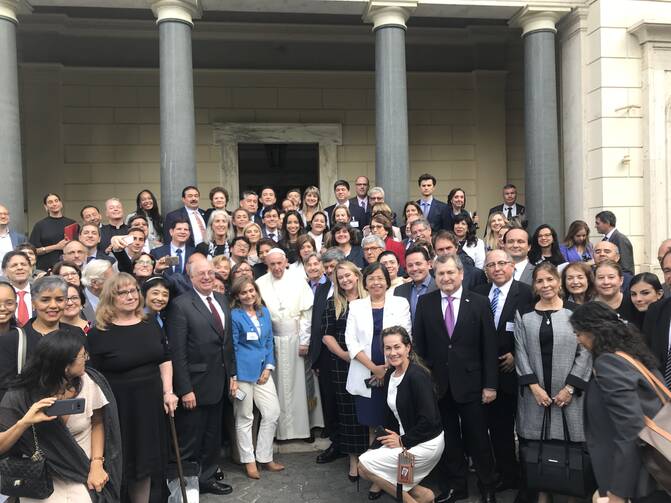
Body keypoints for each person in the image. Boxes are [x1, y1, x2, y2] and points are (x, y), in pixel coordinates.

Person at [413, 254, 498, 503]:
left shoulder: (479, 303)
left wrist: (490, 385)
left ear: (461, 274)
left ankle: (487, 485)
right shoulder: (426, 303)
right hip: (439, 387)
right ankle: (456, 486)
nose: (446, 278)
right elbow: (420, 347)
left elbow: (489, 348)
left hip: (473, 386)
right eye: (441, 274)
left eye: (451, 273)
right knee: (449, 440)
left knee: (479, 438)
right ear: (435, 276)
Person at [0, 330, 122, 502]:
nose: (86, 359)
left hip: (81, 469)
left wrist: (97, 463)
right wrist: (25, 422)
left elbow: (98, 422)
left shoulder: (89, 381)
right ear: (65, 366)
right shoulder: (21, 395)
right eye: (82, 356)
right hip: (40, 476)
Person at [87, 273, 177, 503]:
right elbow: (92, 376)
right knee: (121, 464)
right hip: (119, 409)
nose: (130, 296)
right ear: (110, 297)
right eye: (123, 292)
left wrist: (168, 391)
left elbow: (165, 358)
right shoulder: (99, 333)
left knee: (145, 464)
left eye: (134, 291)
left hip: (150, 405)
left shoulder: (150, 324)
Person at [570, 302, 671, 503]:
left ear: (593, 331)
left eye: (578, 332)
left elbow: (631, 432)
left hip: (640, 481)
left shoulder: (608, 363)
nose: (578, 339)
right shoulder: (632, 353)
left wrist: (618, 492)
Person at [514, 262, 592, 503]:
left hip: (569, 395)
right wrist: (534, 388)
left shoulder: (576, 313)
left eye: (550, 280)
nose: (545, 285)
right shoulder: (523, 314)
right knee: (537, 449)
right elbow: (520, 351)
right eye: (540, 281)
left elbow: (586, 352)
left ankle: (572, 496)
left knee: (572, 450)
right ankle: (542, 496)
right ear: (534, 285)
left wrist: (569, 389)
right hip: (534, 396)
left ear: (559, 283)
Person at [165, 255, 236, 497]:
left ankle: (206, 479)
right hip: (194, 386)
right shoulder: (180, 305)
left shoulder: (221, 299)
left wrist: (233, 375)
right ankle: (186, 488)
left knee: (211, 437)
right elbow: (177, 351)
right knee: (190, 440)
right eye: (200, 274)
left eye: (210, 272)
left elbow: (227, 343)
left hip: (219, 383)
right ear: (190, 277)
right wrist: (184, 389)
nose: (206, 277)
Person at [344, 262, 410, 499]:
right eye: (371, 278)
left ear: (387, 280)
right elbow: (350, 342)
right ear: (365, 282)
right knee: (375, 425)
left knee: (397, 422)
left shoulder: (400, 303)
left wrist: (388, 369)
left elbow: (405, 336)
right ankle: (377, 476)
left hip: (396, 370)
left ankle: (400, 478)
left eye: (380, 278)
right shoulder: (356, 306)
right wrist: (374, 368)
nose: (376, 283)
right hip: (366, 372)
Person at [358, 326, 444, 503]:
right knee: (392, 474)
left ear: (408, 347)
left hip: (425, 443)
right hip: (406, 439)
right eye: (388, 348)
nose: (392, 352)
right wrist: (378, 444)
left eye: (397, 347)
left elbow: (430, 421)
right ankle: (424, 495)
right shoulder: (391, 374)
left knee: (365, 466)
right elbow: (392, 417)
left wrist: (402, 441)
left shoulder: (417, 376)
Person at [473, 250, 534, 492]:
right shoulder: (477, 293)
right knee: (485, 429)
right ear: (485, 269)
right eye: (491, 265)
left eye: (502, 263)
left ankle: (512, 475)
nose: (497, 268)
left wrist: (517, 356)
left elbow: (535, 330)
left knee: (505, 430)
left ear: (512, 266)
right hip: (482, 373)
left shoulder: (526, 293)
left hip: (512, 373)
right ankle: (493, 472)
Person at [256, 248, 323, 439]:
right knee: (277, 387)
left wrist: (304, 341)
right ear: (267, 265)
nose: (277, 267)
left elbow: (306, 315)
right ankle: (280, 432)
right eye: (272, 264)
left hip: (296, 340)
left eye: (279, 263)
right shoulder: (260, 283)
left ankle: (304, 429)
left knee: (300, 386)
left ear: (286, 261)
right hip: (273, 341)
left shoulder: (298, 281)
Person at [229, 277, 284, 479]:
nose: (249, 295)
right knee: (245, 417)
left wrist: (268, 367)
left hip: (263, 372)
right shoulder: (234, 315)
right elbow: (232, 347)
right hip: (242, 375)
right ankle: (249, 460)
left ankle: (264, 456)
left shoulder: (264, 312)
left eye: (251, 290)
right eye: (243, 292)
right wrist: (232, 376)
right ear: (237, 296)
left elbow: (269, 341)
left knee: (272, 412)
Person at [321, 261, 370, 481]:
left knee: (368, 410)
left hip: (370, 362)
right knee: (348, 412)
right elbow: (326, 334)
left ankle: (372, 460)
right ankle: (353, 460)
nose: (345, 280)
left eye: (348, 275)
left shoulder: (370, 298)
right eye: (340, 277)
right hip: (343, 364)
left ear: (357, 275)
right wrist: (344, 355)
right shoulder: (333, 303)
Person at [29, 193, 77, 272]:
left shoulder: (72, 223)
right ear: (46, 206)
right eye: (50, 202)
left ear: (61, 204)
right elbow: (33, 251)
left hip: (68, 267)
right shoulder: (40, 225)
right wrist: (56, 246)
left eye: (56, 201)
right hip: (45, 268)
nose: (54, 204)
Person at [394, 246, 436, 321]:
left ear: (429, 264)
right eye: (410, 265)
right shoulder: (399, 291)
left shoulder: (440, 288)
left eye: (418, 264)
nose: (414, 268)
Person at [0, 281, 24, 402]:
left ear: (16, 304)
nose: (3, 308)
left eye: (8, 303)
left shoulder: (23, 336)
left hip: (14, 407)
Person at [595, 210, 635, 275]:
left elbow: (626, 267)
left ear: (607, 223)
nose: (595, 226)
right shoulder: (604, 240)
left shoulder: (621, 239)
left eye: (597, 223)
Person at [3, 251, 33, 326]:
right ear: (4, 271)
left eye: (23, 264)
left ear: (30, 268)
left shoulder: (41, 292)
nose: (20, 268)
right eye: (14, 265)